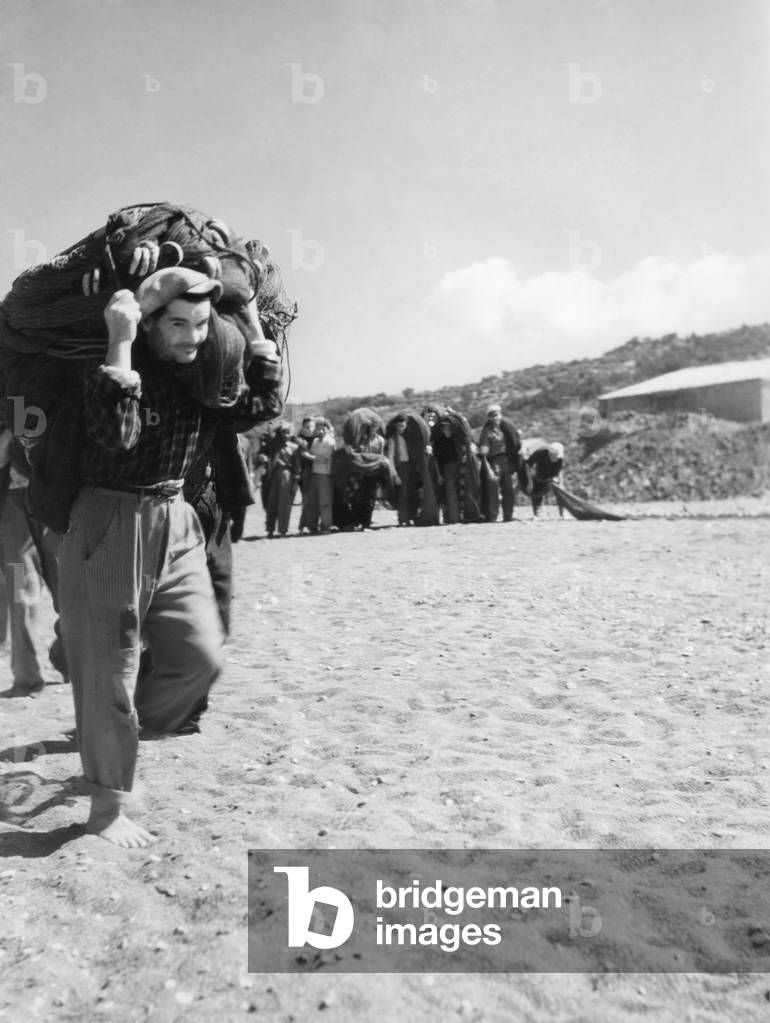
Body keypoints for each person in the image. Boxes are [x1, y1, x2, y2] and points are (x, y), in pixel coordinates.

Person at [58, 267, 265, 849]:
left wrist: (253, 330)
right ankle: (105, 808)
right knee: (110, 668)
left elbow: (258, 406)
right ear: (149, 324)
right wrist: (120, 342)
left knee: (202, 654)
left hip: (176, 517)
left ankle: (112, 734)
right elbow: (117, 436)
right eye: (178, 324)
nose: (192, 337)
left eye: (201, 324)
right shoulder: (117, 363)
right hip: (110, 518)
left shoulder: (204, 371)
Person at [0, 427, 66, 695]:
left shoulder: (58, 386)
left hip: (55, 502)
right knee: (20, 591)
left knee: (69, 589)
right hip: (11, 508)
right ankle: (27, 676)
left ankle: (71, 663)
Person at [478, 404, 521, 522]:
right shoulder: (487, 432)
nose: (495, 417)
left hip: (507, 461)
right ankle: (492, 516)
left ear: (500, 414)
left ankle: (508, 516)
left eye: (496, 414)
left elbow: (516, 442)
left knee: (508, 490)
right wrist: (488, 469)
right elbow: (483, 453)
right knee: (493, 491)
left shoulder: (508, 427)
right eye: (492, 416)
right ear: (489, 418)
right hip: (495, 462)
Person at [264, 422, 300, 537]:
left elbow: (297, 467)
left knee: (284, 503)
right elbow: (270, 433)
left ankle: (283, 530)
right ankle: (270, 529)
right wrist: (281, 425)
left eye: (288, 433)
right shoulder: (275, 444)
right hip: (274, 475)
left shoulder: (295, 448)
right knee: (272, 503)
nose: (286, 435)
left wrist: (295, 482)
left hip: (287, 475)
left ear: (292, 434)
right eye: (284, 432)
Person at [302, 418, 335, 533]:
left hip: (325, 474)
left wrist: (308, 456)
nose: (317, 430)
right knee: (313, 502)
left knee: (325, 502)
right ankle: (313, 527)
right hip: (315, 473)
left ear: (325, 428)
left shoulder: (330, 442)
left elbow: (324, 458)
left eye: (320, 427)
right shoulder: (315, 441)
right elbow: (312, 453)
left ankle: (326, 526)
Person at [386, 413, 414, 526]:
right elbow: (390, 457)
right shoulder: (393, 439)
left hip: (411, 466)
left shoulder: (411, 437)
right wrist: (395, 474)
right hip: (400, 467)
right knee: (402, 494)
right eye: (399, 426)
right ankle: (402, 519)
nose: (401, 428)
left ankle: (411, 517)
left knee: (411, 492)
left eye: (403, 425)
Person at [527, 442, 565, 517]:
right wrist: (529, 478)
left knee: (561, 491)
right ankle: (537, 513)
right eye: (554, 456)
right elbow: (528, 464)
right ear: (549, 453)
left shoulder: (560, 459)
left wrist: (561, 483)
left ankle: (562, 514)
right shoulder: (540, 452)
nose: (556, 458)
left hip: (552, 476)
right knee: (536, 490)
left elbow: (560, 470)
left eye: (557, 457)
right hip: (539, 474)